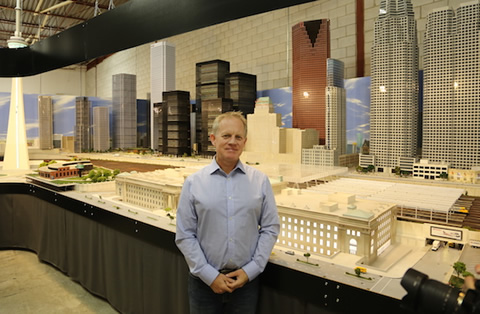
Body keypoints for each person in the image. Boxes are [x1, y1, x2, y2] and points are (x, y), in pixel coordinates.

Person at [175, 111, 280, 314]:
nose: (233, 142)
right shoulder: (193, 183)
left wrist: (251, 271)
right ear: (213, 139)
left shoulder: (260, 181)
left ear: (244, 142)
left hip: (246, 284)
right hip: (203, 284)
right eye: (226, 136)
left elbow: (270, 228)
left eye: (238, 137)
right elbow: (185, 234)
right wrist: (209, 275)